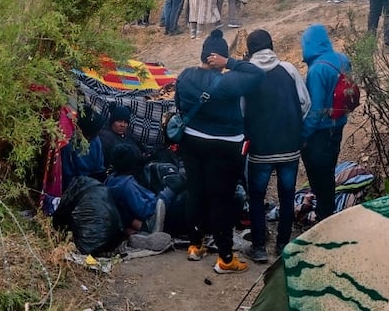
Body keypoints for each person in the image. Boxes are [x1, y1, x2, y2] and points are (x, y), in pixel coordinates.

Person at [175, 29, 264, 274]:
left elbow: (179, 106)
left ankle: (195, 245)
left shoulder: (185, 76)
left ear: (203, 55)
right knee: (220, 200)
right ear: (219, 57)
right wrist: (231, 62)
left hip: (192, 141)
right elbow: (257, 74)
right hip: (225, 146)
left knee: (195, 192)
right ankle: (225, 259)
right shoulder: (229, 81)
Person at [242, 29, 311, 262]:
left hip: (260, 148)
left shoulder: (248, 74)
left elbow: (241, 110)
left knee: (256, 195)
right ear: (271, 45)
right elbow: (305, 103)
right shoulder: (289, 69)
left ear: (250, 48)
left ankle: (259, 246)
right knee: (287, 194)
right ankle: (283, 244)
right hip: (290, 146)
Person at [300, 24, 351, 223]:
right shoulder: (342, 58)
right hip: (339, 123)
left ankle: (324, 217)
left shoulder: (317, 70)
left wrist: (303, 136)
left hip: (320, 131)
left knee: (318, 172)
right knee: (329, 169)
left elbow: (315, 110)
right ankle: (326, 209)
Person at [106, 142, 171, 236]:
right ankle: (146, 227)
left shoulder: (111, 179)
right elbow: (145, 210)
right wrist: (165, 194)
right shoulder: (126, 185)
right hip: (149, 214)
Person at [60, 105, 106, 190]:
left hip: (94, 183)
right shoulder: (69, 145)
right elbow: (67, 175)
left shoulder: (96, 140)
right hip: (76, 186)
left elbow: (99, 167)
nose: (99, 132)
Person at [99, 103, 145, 171]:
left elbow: (139, 147)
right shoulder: (106, 137)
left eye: (126, 122)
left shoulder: (127, 134)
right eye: (119, 121)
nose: (123, 125)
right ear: (112, 121)